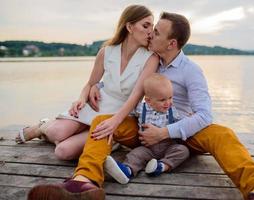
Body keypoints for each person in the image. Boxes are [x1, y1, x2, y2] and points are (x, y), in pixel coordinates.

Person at [28, 10, 254, 200]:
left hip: (182, 134)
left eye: (156, 32)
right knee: (103, 122)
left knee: (223, 133)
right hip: (143, 130)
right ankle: (84, 184)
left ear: (171, 43)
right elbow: (119, 83)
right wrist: (92, 88)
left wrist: (166, 133)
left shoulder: (191, 71)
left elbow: (205, 114)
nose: (151, 35)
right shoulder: (148, 59)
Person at [15, 4, 157, 162]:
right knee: (57, 132)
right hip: (97, 103)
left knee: (63, 151)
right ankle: (42, 126)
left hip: (120, 113)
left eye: (152, 26)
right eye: (146, 25)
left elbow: (137, 95)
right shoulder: (107, 51)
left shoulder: (151, 58)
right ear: (129, 26)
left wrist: (114, 121)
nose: (151, 31)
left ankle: (107, 141)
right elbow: (90, 84)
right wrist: (81, 99)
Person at [104, 73, 190, 184]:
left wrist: (189, 117)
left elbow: (181, 123)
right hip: (148, 148)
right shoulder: (141, 108)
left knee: (183, 151)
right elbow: (126, 113)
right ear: (148, 100)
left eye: (170, 97)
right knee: (135, 155)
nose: (168, 103)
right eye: (162, 100)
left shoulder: (172, 110)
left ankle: (161, 166)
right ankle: (127, 170)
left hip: (168, 146)